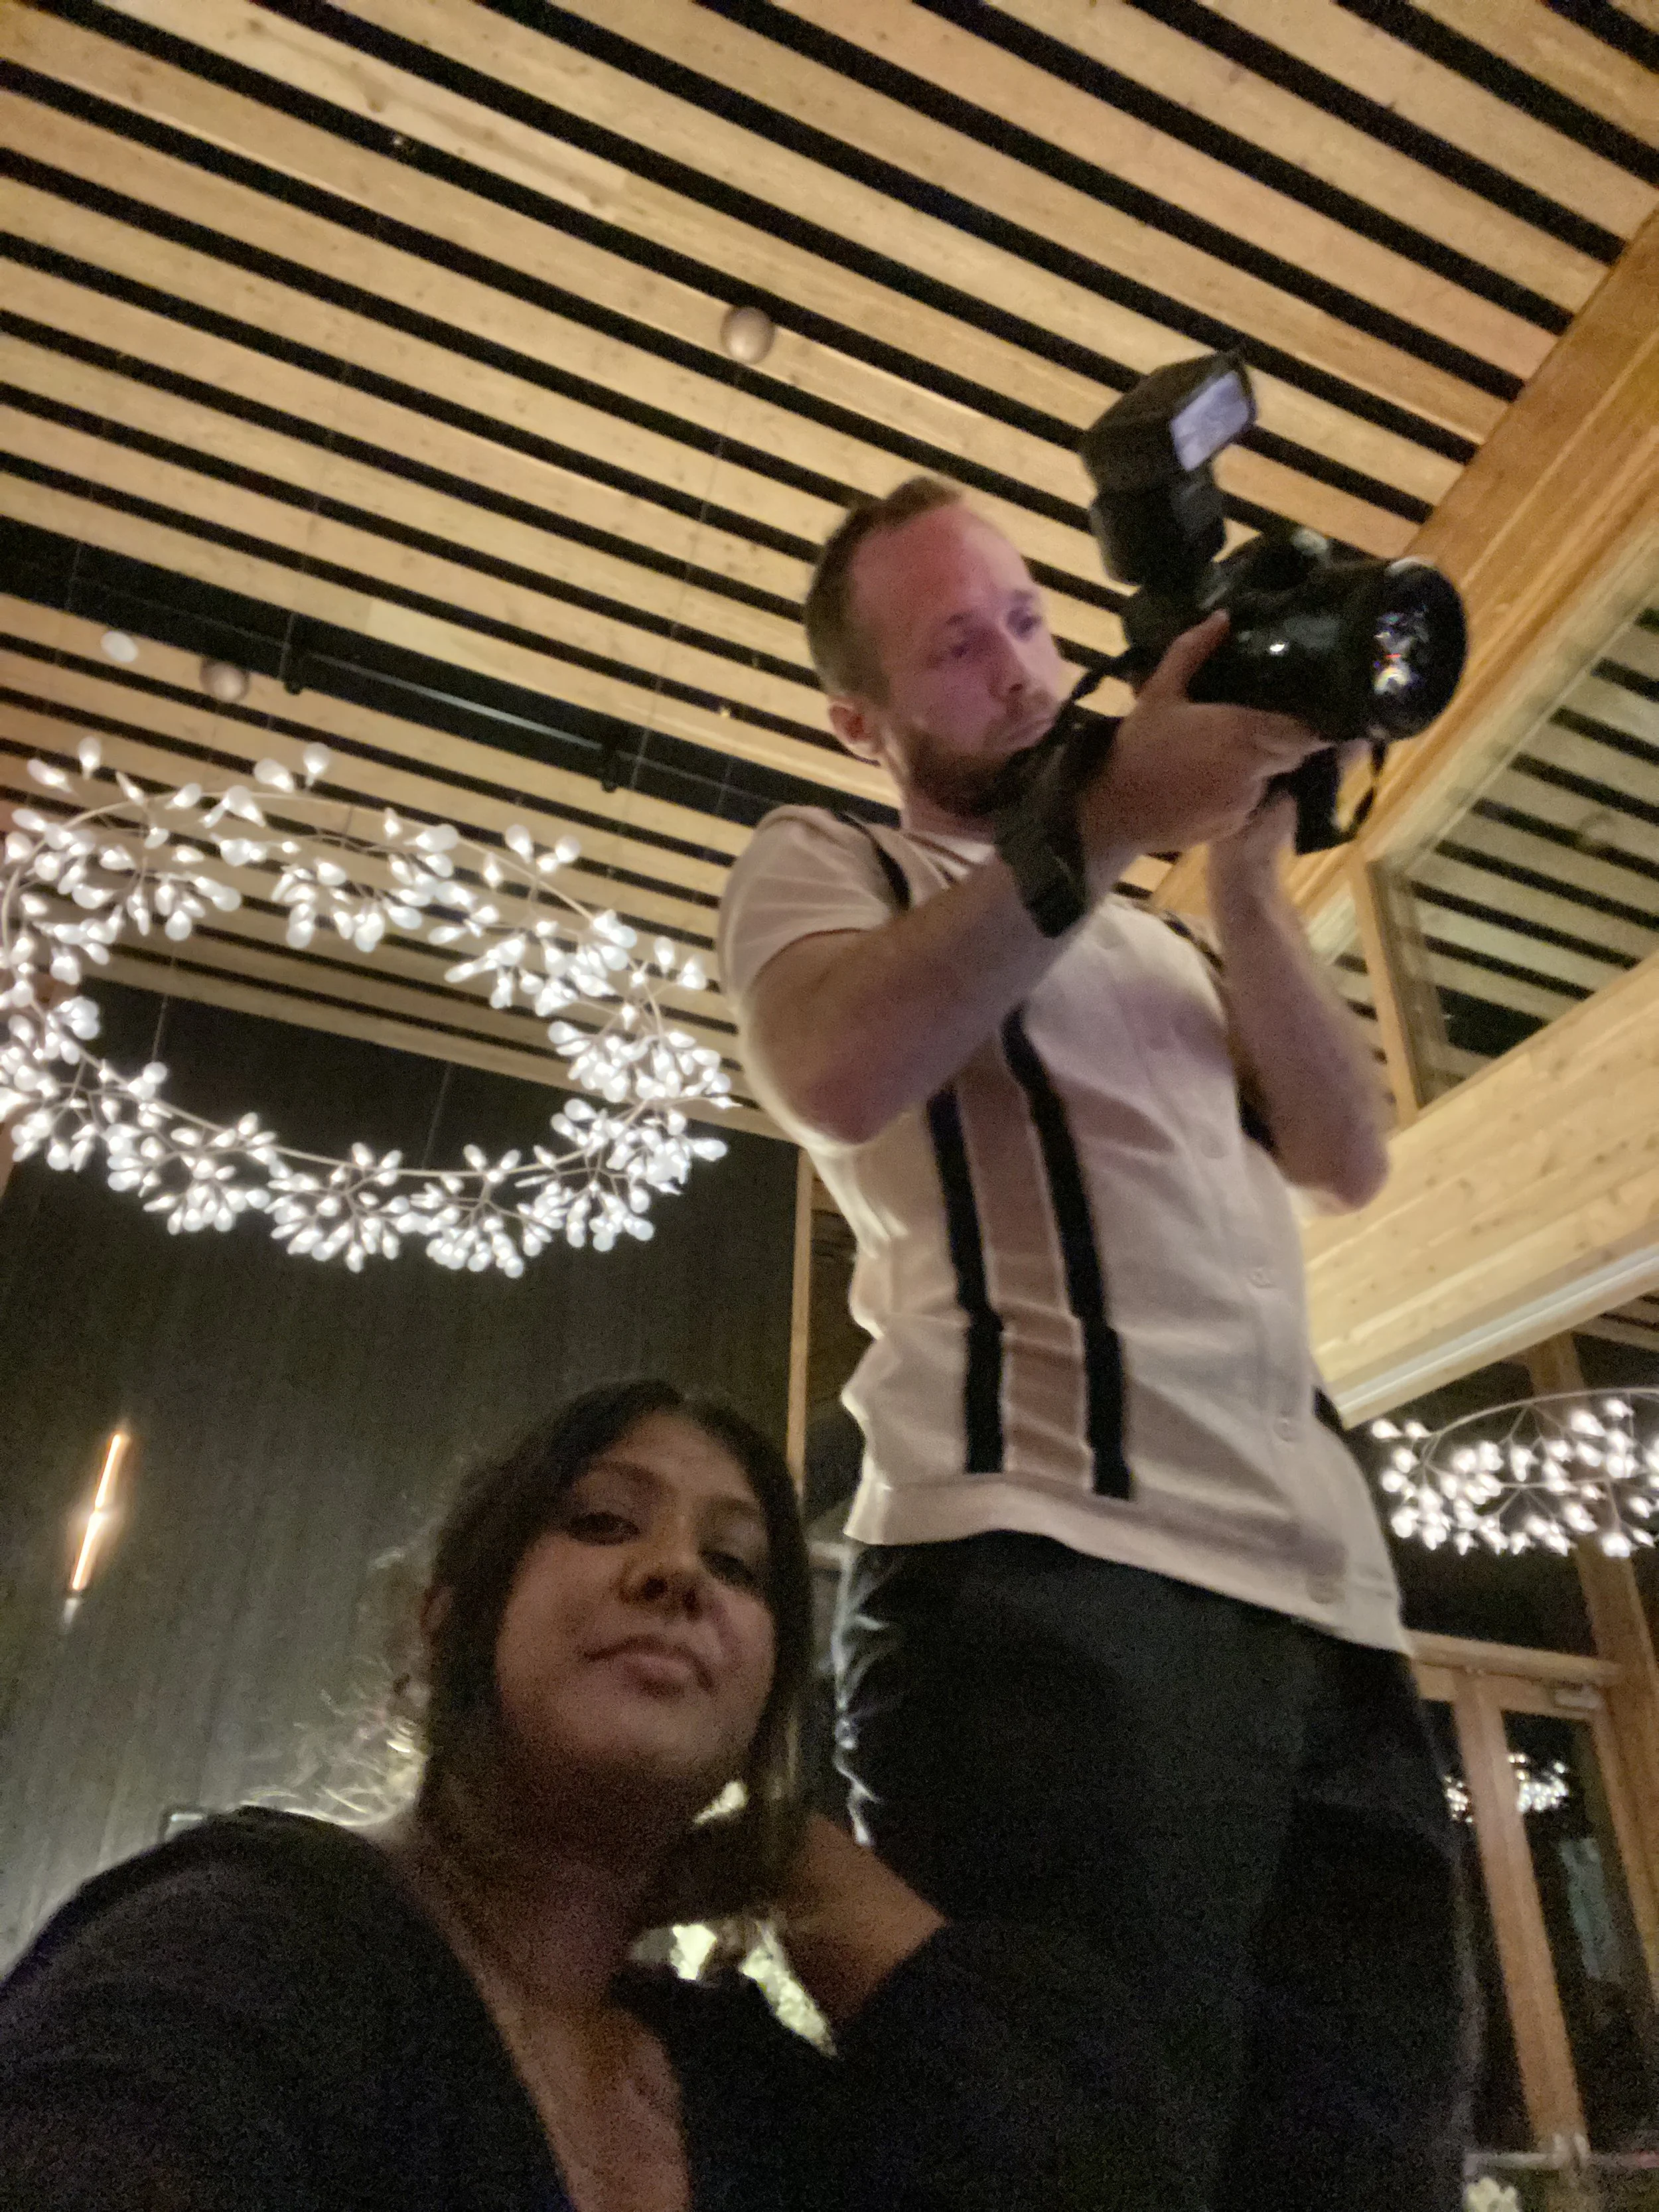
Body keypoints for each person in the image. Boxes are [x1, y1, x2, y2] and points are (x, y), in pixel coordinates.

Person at [717, 477, 1474, 2211]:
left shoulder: (1146, 929)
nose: (1017, 664)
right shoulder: (833, 865)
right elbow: (832, 1066)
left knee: (1371, 2163)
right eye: (954, 642)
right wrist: (1105, 820)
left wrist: (1252, 889)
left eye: (1028, 620)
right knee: (1080, 2163)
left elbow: (1345, 1153)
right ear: (863, 713)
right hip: (1044, 1582)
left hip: (1324, 1608)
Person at [0, 1376, 1187, 2211]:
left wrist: (804, 1866)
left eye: (736, 1564)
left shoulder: (730, 2080)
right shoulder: (248, 1948)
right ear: (451, 1615)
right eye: (605, 1521)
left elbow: (1085, 2172)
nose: (676, 1573)